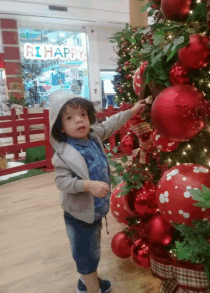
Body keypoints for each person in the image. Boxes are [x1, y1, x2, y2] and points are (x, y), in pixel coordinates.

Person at [49, 91, 146, 293]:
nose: (79, 120)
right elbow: (61, 181)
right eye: (69, 117)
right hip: (79, 215)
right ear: (60, 126)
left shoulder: (93, 136)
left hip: (96, 210)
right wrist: (87, 185)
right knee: (86, 255)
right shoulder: (64, 153)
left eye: (82, 114)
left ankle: (87, 281)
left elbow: (111, 123)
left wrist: (132, 111)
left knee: (92, 250)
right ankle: (91, 287)